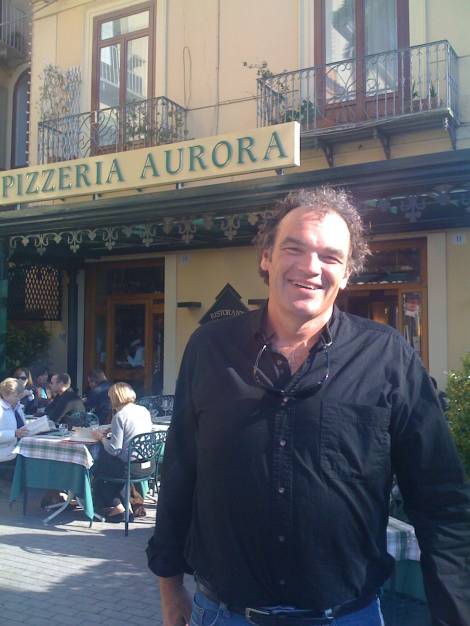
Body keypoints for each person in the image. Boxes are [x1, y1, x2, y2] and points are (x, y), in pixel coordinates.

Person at [146, 187, 470, 626]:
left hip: (348, 616)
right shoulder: (209, 348)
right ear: (266, 257)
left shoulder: (388, 357)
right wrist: (169, 586)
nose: (311, 267)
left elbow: (440, 498)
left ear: (348, 272)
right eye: (294, 248)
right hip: (224, 614)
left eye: (330, 257)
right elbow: (180, 470)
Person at [91, 382, 152, 522]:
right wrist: (113, 430)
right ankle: (133, 503)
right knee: (110, 467)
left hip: (128, 466)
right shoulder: (143, 410)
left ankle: (117, 506)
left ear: (115, 398)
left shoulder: (120, 416)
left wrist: (101, 438)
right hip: (146, 464)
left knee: (97, 470)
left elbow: (114, 450)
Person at [0, 378, 28, 464]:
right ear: (5, 394)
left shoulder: (17, 407)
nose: (19, 399)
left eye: (20, 395)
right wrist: (14, 433)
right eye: (16, 396)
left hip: (18, 453)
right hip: (4, 458)